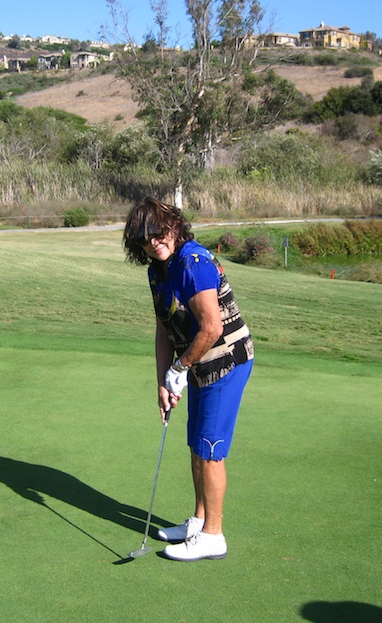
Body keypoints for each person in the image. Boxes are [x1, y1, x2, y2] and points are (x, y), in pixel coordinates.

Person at [123, 196, 254, 561]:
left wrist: (179, 369)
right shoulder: (157, 270)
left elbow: (211, 328)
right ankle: (199, 521)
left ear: (174, 226)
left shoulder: (193, 262)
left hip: (226, 361)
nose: (154, 241)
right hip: (196, 362)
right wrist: (163, 381)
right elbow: (164, 330)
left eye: (159, 231)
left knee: (209, 449)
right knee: (196, 443)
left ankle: (214, 535)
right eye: (145, 237)